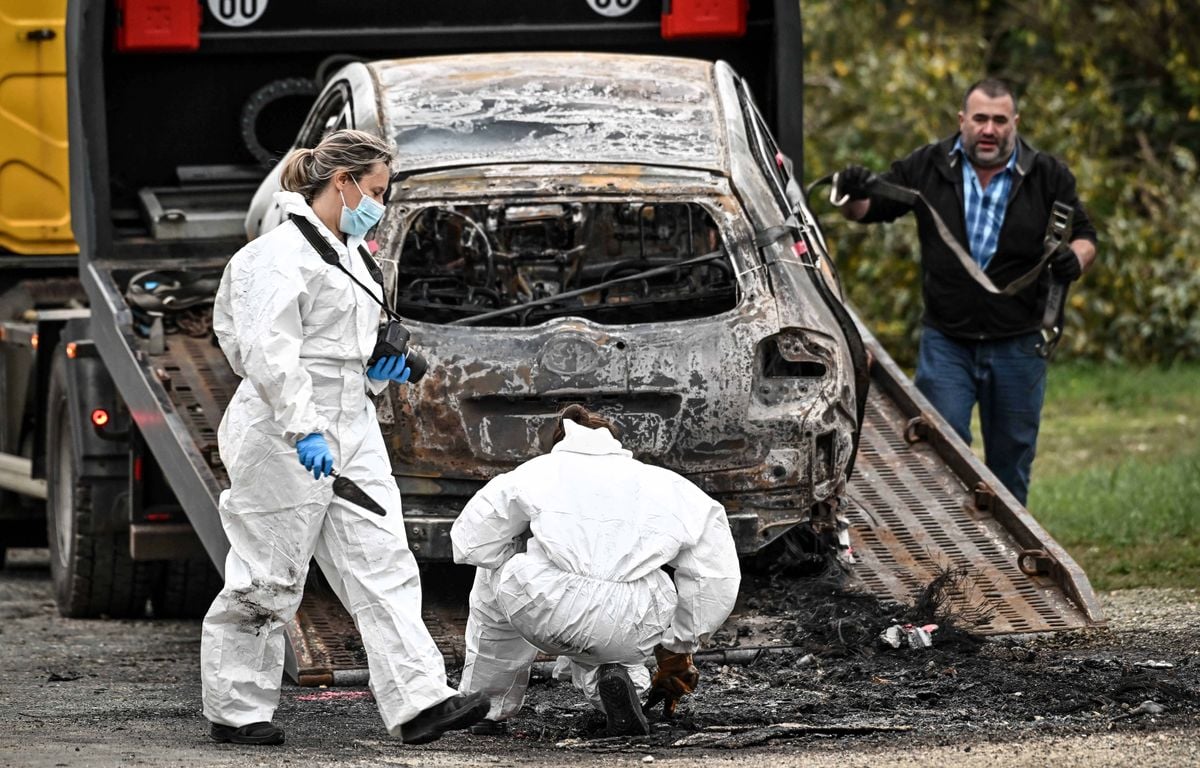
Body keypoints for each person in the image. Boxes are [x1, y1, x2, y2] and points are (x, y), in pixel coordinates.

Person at [201, 129, 487, 746]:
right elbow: (270, 355)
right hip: (281, 433)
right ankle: (237, 710)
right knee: (267, 573)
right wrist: (304, 429)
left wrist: (381, 371)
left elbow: (346, 347)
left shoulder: (356, 255)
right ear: (342, 181)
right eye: (376, 191)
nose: (378, 204)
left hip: (352, 423)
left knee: (384, 562)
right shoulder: (276, 257)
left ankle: (420, 701)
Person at [836, 78, 1098, 505]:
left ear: (1015, 123)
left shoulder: (1048, 175)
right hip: (947, 342)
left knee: (1011, 462)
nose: (989, 129)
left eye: (999, 120)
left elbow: (1086, 235)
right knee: (940, 454)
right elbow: (866, 211)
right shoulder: (928, 165)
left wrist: (1076, 259)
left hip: (1018, 342)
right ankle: (952, 538)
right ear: (962, 120)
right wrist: (853, 190)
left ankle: (1010, 545)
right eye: (980, 119)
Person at [450, 405, 741, 737]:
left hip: (545, 607)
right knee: (619, 615)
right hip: (632, 618)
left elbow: (471, 543)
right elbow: (715, 575)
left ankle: (485, 708)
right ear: (615, 443)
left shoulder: (534, 473)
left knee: (493, 571)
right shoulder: (667, 484)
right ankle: (624, 686)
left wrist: (524, 547)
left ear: (559, 442)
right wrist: (680, 645)